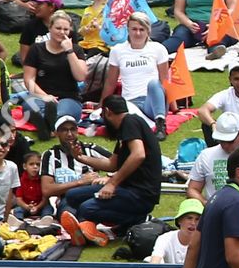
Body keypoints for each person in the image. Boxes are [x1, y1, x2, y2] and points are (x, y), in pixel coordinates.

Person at [58, 95, 162, 245]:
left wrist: (112, 183)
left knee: (87, 208)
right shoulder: (125, 130)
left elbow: (138, 154)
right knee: (73, 195)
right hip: (127, 190)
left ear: (107, 112)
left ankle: (138, 219)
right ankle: (84, 226)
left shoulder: (130, 122)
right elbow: (112, 164)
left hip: (140, 194)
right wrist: (80, 157)